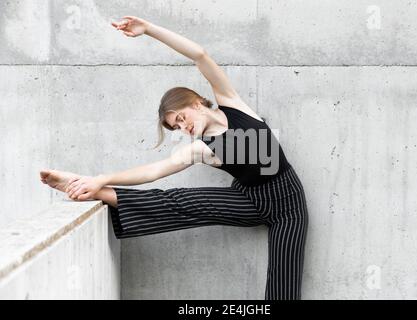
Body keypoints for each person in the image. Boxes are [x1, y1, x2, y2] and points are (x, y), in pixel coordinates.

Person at [40, 16, 309, 300]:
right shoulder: (199, 149)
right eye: (176, 127)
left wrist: (149, 30)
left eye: (181, 118)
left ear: (196, 102)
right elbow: (153, 171)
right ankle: (96, 189)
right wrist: (101, 179)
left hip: (287, 204)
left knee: (284, 290)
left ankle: (93, 185)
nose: (183, 127)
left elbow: (199, 54)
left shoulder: (231, 103)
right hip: (249, 199)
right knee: (181, 200)